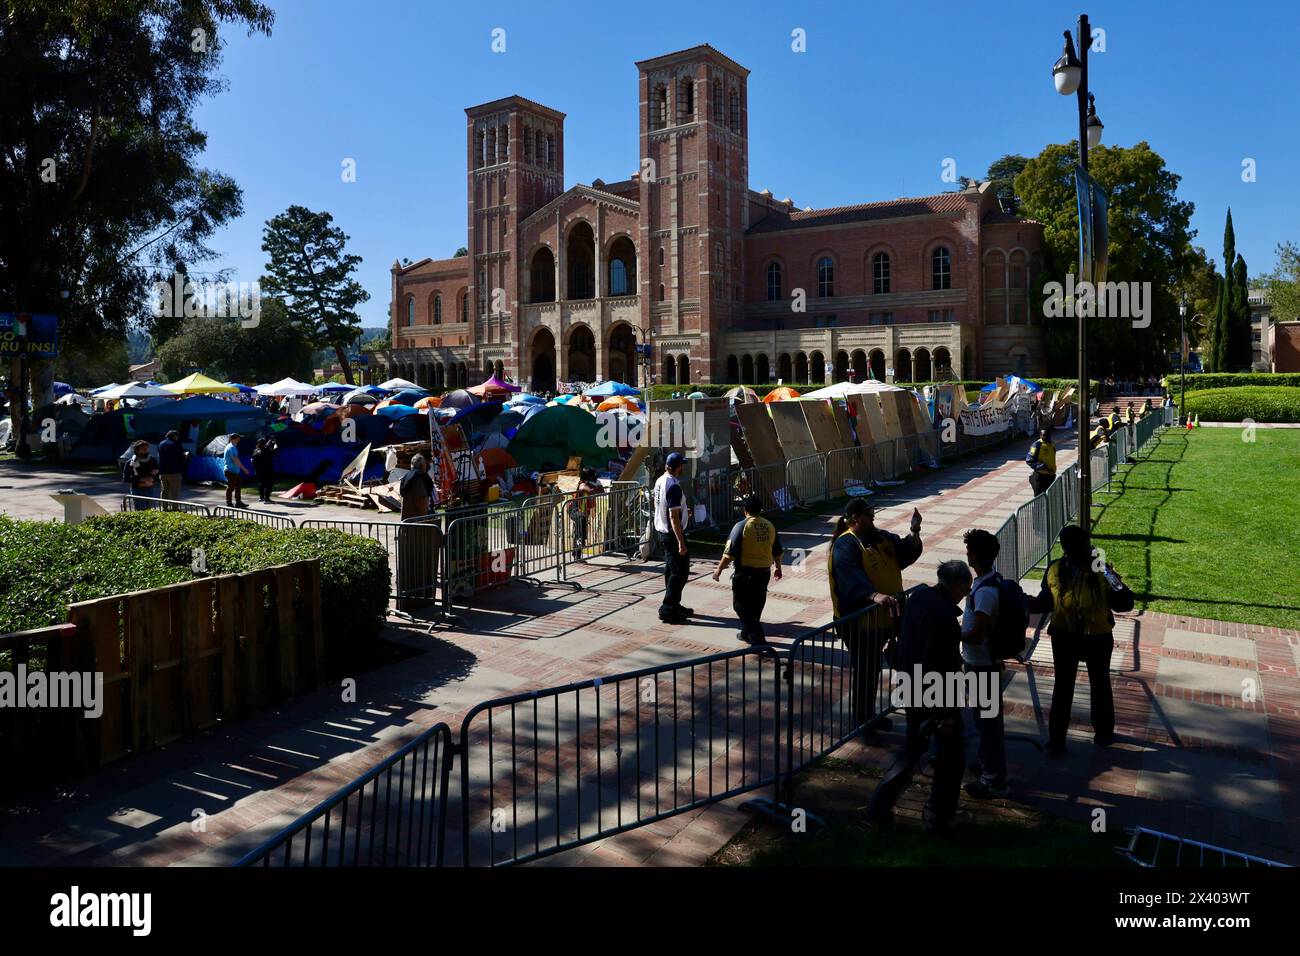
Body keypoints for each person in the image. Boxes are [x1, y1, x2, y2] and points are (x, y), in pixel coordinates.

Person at [865, 559, 972, 832]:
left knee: (910, 750)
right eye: (965, 589)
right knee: (950, 760)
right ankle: (937, 818)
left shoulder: (921, 596)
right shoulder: (943, 617)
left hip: (911, 685)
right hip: (933, 694)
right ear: (956, 584)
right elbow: (945, 665)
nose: (966, 594)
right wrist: (948, 712)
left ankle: (879, 806)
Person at [1028, 524, 1135, 756]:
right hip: (1064, 637)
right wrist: (1026, 604)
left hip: (1097, 637)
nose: (1084, 550)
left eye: (1085, 545)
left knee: (1100, 684)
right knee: (1063, 688)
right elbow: (1047, 601)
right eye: (1078, 546)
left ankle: (1104, 733)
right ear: (1067, 548)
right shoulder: (1054, 569)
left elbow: (1125, 603)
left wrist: (1111, 577)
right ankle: (1057, 741)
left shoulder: (1102, 570)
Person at [828, 498, 923, 730]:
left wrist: (915, 530)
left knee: (874, 670)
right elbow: (848, 577)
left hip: (884, 619)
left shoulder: (880, 537)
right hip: (860, 623)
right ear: (855, 519)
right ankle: (862, 722)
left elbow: (905, 552)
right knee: (865, 671)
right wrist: (873, 596)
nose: (873, 517)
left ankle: (870, 715)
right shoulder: (845, 545)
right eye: (869, 514)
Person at [960, 529, 1008, 799]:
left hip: (983, 668)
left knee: (989, 725)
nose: (967, 554)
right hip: (982, 665)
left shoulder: (986, 592)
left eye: (969, 550)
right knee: (984, 721)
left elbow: (978, 634)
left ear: (975, 555)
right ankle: (988, 766)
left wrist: (953, 633)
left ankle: (994, 781)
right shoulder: (987, 582)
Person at [712, 494, 784, 645]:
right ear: (760, 510)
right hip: (764, 573)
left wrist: (718, 570)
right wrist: (778, 567)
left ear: (744, 510)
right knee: (756, 606)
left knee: (740, 606)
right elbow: (777, 551)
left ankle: (758, 638)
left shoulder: (741, 526)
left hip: (745, 574)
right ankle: (746, 633)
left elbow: (729, 553)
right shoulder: (770, 526)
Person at [653, 451, 693, 623]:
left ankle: (674, 604)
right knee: (680, 572)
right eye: (682, 465)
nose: (683, 467)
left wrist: (685, 512)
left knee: (671, 569)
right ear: (677, 467)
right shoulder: (673, 486)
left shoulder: (661, 480)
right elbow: (673, 516)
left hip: (662, 530)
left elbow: (669, 508)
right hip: (671, 534)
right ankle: (668, 608)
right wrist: (680, 542)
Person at [570, 467, 603, 560]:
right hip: (574, 510)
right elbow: (587, 489)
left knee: (578, 530)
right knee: (581, 520)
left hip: (583, 511)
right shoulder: (582, 484)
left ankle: (576, 554)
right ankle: (581, 541)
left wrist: (597, 486)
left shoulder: (592, 484)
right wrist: (595, 488)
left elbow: (602, 491)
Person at [124, 440, 161, 509]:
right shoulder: (130, 462)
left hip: (150, 489)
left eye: (147, 448)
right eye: (143, 449)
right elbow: (126, 478)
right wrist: (141, 480)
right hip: (137, 490)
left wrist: (154, 476)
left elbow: (158, 474)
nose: (146, 450)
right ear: (137, 450)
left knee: (149, 510)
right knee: (140, 510)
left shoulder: (152, 460)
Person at [400, 453, 435, 519]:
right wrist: (426, 516)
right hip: (416, 521)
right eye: (425, 463)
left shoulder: (407, 477)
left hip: (408, 521)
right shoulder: (418, 478)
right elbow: (419, 500)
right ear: (422, 465)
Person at [157, 430, 186, 506]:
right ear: (174, 436)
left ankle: (164, 507)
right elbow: (180, 457)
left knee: (164, 491)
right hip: (174, 472)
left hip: (163, 471)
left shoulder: (161, 444)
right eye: (177, 436)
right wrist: (185, 456)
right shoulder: (176, 444)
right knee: (174, 491)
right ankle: (175, 508)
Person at [1025, 429, 1056, 496]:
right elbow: (1029, 460)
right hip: (1040, 477)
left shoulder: (1052, 444)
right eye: (1044, 435)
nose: (1046, 436)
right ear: (1040, 435)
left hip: (1050, 476)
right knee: (1040, 499)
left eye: (1047, 434)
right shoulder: (1036, 445)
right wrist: (1043, 466)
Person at [222, 434, 250, 508]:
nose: (239, 440)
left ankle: (238, 502)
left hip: (235, 471)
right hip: (230, 471)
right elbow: (235, 460)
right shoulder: (231, 448)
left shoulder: (233, 447)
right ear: (232, 439)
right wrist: (244, 469)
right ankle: (229, 503)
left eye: (239, 438)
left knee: (238, 486)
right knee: (231, 487)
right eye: (237, 438)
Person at [252, 436, 279, 503]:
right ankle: (267, 499)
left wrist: (269, 441)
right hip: (267, 471)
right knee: (269, 484)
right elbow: (276, 449)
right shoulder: (267, 450)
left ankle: (261, 498)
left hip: (258, 471)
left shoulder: (255, 451)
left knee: (261, 484)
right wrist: (275, 443)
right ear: (264, 444)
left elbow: (264, 446)